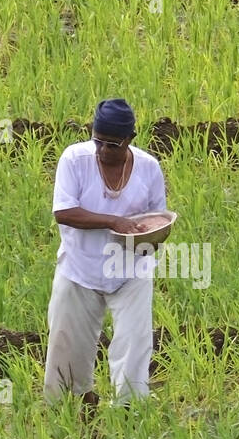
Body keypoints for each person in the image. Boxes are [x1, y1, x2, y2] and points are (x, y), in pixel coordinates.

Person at [44, 98, 167, 408]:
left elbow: (157, 219)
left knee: (135, 342)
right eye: (97, 140)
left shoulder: (149, 169)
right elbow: (64, 212)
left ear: (129, 140)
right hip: (79, 267)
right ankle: (75, 404)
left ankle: (128, 408)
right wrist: (115, 222)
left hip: (130, 270)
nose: (101, 150)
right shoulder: (74, 159)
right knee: (67, 342)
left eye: (111, 144)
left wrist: (146, 236)